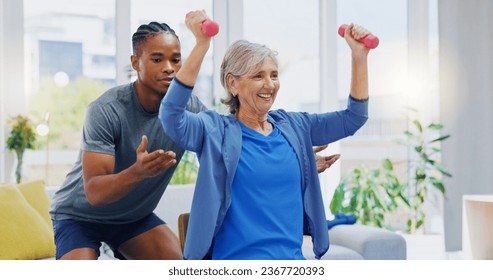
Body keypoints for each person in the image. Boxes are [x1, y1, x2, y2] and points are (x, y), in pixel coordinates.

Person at [48, 20, 336, 260]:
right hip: (80, 215)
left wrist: (291, 157)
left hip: (134, 218)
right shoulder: (106, 109)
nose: (170, 68)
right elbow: (95, 192)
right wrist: (138, 172)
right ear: (136, 61)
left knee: (182, 269)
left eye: (175, 59)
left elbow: (230, 146)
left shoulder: (192, 109)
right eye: (157, 59)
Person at [159, 11, 371, 260]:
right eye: (258, 75)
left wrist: (359, 56)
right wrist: (202, 44)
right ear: (233, 84)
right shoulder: (215, 131)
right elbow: (171, 115)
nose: (269, 84)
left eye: (274, 74)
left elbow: (354, 118)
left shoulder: (294, 126)